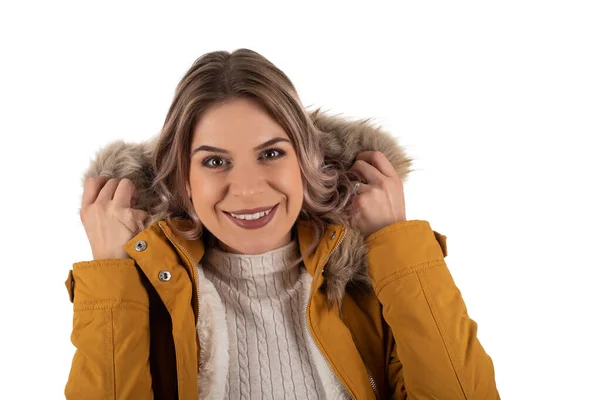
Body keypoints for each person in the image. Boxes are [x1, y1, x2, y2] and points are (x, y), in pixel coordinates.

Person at [64, 49, 500, 399]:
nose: (249, 190)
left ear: (308, 162)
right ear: (184, 179)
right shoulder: (148, 302)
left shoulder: (370, 288)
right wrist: (112, 278)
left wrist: (396, 244)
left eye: (271, 153)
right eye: (215, 161)